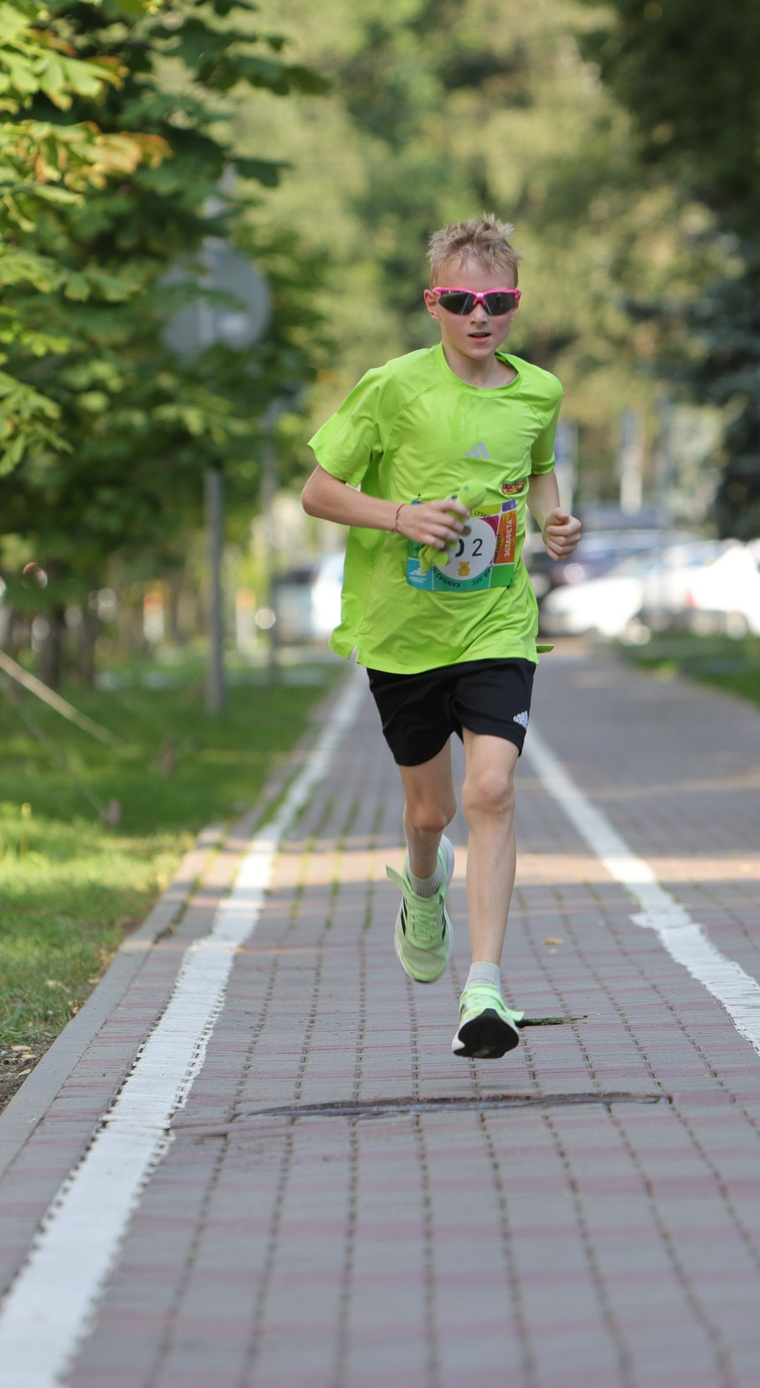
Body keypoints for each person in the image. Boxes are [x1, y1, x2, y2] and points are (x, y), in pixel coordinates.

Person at [299, 215, 585, 1059]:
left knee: (490, 792)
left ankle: (485, 988)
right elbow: (317, 491)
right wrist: (399, 515)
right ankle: (424, 885)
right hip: (404, 633)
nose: (478, 315)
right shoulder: (392, 387)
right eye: (460, 299)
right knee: (432, 809)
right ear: (433, 303)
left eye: (495, 300)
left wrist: (553, 523)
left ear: (515, 304)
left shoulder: (540, 391)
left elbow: (537, 470)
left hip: (497, 621)